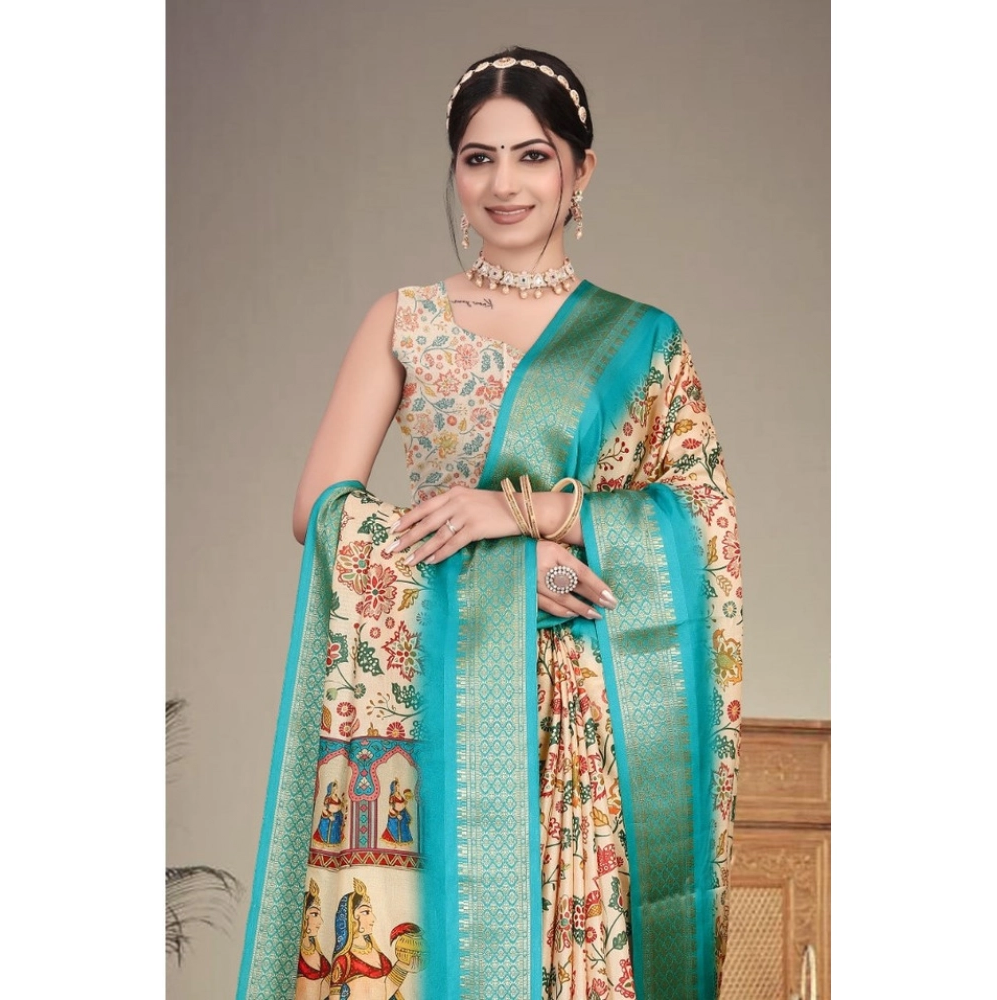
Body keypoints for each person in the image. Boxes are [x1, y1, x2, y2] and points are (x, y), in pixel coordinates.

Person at [237, 46, 743, 1000]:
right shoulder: (407, 318)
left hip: (589, 720)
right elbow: (320, 508)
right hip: (445, 683)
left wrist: (528, 516)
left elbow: (702, 519)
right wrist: (516, 570)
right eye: (478, 158)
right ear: (456, 171)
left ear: (580, 171)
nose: (504, 184)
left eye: (532, 156)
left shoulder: (646, 339)